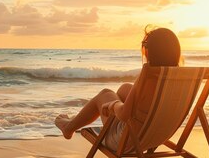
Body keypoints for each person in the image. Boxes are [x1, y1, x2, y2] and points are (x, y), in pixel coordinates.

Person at [54, 27, 183, 150]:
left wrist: (113, 105)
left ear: (150, 51)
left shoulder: (148, 76)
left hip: (127, 141)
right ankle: (72, 123)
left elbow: (124, 114)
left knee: (105, 94)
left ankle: (68, 128)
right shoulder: (181, 78)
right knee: (124, 88)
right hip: (158, 136)